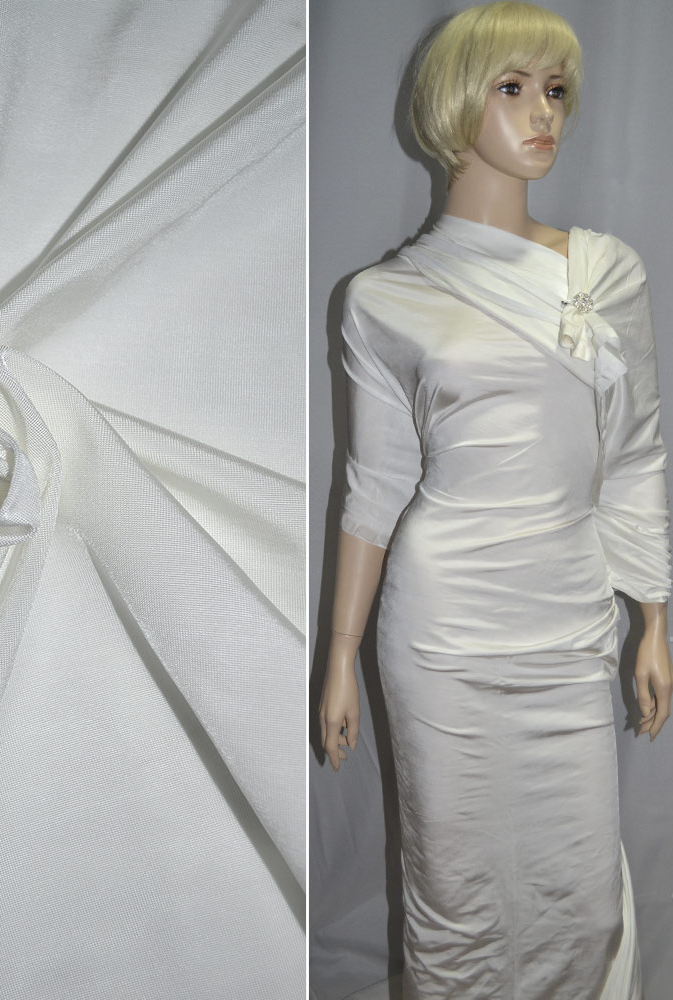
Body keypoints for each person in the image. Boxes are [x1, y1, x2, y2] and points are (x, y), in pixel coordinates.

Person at [317, 2, 672, 996]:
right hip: (442, 633)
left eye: (553, 89)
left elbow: (635, 453)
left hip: (567, 619)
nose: (542, 111)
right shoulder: (382, 298)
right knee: (456, 890)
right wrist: (339, 652)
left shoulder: (605, 275)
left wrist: (654, 616)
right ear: (452, 105)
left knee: (580, 898)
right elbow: (375, 483)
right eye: (510, 88)